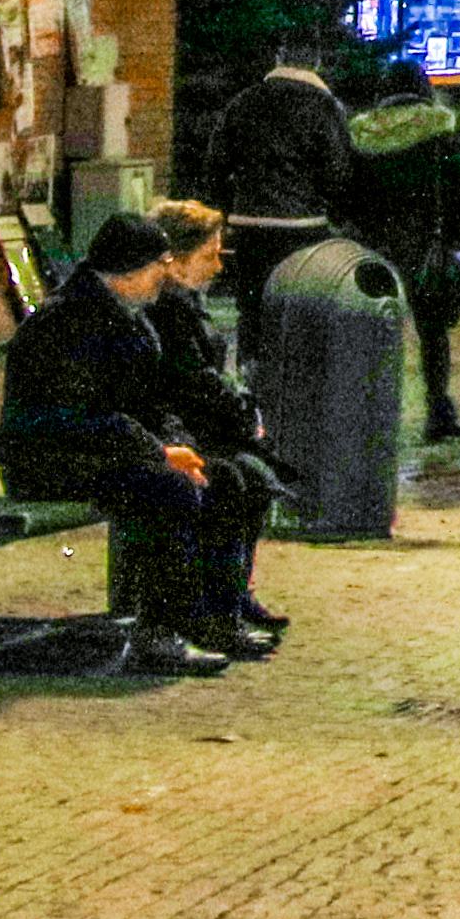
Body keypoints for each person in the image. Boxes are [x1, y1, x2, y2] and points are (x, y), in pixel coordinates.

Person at [0, 212, 256, 675]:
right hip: (47, 459)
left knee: (225, 480)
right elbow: (77, 418)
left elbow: (150, 404)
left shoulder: (128, 317)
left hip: (101, 453)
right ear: (131, 269)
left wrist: (177, 447)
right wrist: (159, 454)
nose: (165, 273)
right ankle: (159, 635)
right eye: (160, 263)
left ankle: (214, 619)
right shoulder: (66, 324)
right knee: (168, 492)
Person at [141, 201, 287, 641]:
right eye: (210, 255)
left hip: (193, 428)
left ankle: (232, 598)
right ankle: (216, 610)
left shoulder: (184, 304)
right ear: (179, 261)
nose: (219, 265)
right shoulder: (168, 310)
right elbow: (194, 382)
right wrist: (242, 415)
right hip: (180, 432)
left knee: (253, 476)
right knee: (230, 479)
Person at [343, 62, 460, 442]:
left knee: (374, 333)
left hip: (372, 249)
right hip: (424, 245)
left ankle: (369, 417)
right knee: (433, 334)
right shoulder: (437, 131)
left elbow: (346, 196)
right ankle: (438, 409)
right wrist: (458, 235)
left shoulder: (362, 135)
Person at [202, 58, 353, 367]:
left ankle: (251, 375)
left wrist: (228, 210)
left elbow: (216, 164)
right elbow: (337, 174)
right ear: (318, 62)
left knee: (252, 307)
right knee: (299, 308)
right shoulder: (324, 107)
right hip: (303, 226)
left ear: (277, 60)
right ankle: (293, 381)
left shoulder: (244, 101)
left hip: (250, 224)